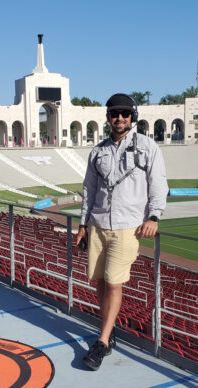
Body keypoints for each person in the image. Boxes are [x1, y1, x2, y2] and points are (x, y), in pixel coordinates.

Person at [75, 93, 168, 370]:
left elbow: (158, 184)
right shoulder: (98, 151)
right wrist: (82, 225)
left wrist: (154, 216)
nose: (119, 118)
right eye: (115, 113)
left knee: (114, 283)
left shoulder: (148, 147)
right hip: (98, 226)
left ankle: (102, 342)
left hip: (128, 227)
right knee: (100, 282)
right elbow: (89, 191)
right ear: (108, 117)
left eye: (125, 113)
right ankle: (109, 328)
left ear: (132, 117)